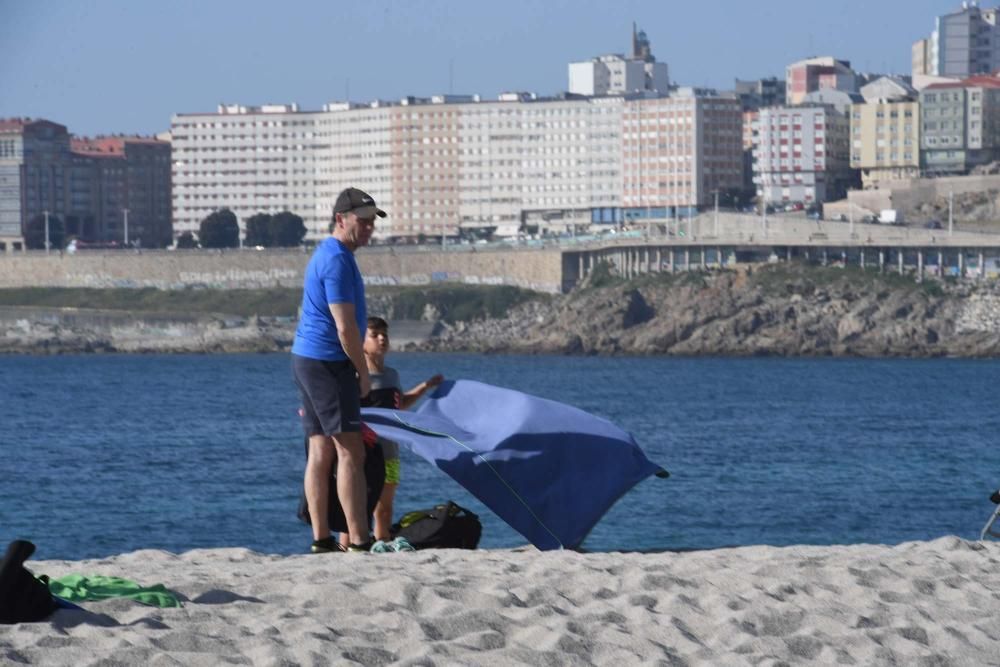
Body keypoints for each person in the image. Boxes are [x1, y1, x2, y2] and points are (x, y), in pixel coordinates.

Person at [291, 187, 385, 554]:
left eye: (371, 223)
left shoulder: (332, 255)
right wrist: (363, 373)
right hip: (328, 362)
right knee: (351, 452)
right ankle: (360, 539)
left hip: (309, 359)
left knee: (320, 450)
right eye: (362, 222)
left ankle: (321, 538)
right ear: (340, 219)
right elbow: (345, 327)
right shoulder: (336, 260)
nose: (368, 229)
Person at [338, 317, 443, 551]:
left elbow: (399, 405)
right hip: (362, 452)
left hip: (390, 451)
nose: (382, 339)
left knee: (384, 507)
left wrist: (425, 387)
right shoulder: (355, 375)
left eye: (384, 334)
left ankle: (381, 544)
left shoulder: (392, 375)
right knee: (355, 504)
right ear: (362, 341)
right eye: (374, 335)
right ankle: (344, 548)